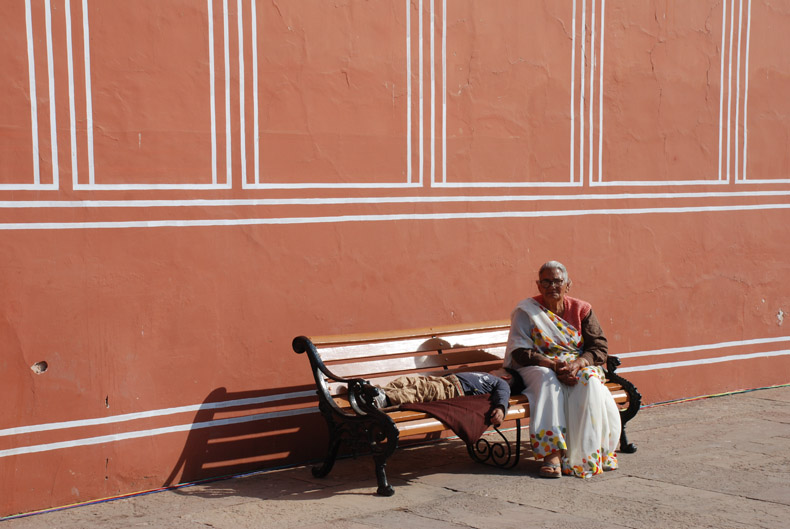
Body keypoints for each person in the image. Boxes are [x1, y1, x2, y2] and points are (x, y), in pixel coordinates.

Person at [505, 260, 621, 478]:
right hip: (537, 365)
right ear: (538, 285)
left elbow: (599, 347)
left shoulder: (582, 309)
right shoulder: (526, 311)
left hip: (576, 364)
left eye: (557, 281)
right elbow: (519, 352)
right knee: (547, 379)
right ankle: (552, 454)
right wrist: (553, 365)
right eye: (546, 282)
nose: (552, 286)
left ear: (568, 284)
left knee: (589, 381)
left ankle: (587, 453)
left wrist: (578, 364)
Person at [372, 370, 512, 426]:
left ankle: (385, 399)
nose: (496, 369)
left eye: (501, 369)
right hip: (444, 380)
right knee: (408, 381)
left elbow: (503, 394)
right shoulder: (486, 376)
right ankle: (377, 392)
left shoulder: (501, 382)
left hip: (454, 389)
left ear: (506, 376)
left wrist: (500, 408)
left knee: (421, 391)